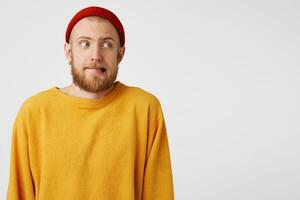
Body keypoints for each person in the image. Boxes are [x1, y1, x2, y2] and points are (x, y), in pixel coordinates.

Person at [6, 6, 174, 200]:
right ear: (69, 51)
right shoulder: (34, 113)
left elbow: (159, 194)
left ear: (121, 54)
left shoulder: (145, 109)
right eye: (85, 43)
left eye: (107, 44)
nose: (96, 55)